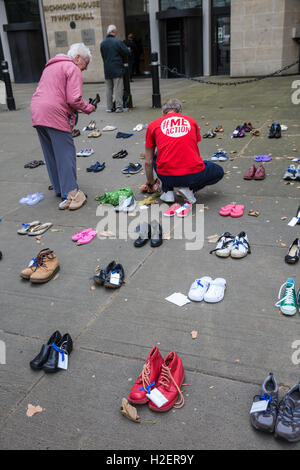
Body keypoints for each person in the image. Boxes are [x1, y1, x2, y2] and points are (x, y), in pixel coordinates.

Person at [30, 43, 95, 211]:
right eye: (86, 63)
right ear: (78, 57)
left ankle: (60, 188)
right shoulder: (72, 68)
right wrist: (88, 108)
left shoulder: (51, 66)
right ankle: (71, 193)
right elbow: (73, 99)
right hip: (54, 113)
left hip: (37, 111)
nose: (85, 68)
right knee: (66, 154)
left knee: (50, 153)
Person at [144, 98, 224, 204]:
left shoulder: (153, 125)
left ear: (163, 113)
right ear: (180, 111)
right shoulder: (191, 121)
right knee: (218, 171)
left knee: (156, 156)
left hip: (166, 176)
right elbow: (190, 149)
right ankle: (189, 189)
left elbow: (148, 162)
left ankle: (167, 192)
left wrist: (151, 183)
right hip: (192, 175)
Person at [100, 25, 130, 113]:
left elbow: (103, 56)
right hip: (117, 68)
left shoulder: (103, 43)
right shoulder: (117, 41)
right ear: (114, 32)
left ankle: (109, 107)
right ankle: (119, 107)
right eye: (116, 32)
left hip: (107, 69)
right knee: (118, 88)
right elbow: (126, 51)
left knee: (109, 88)